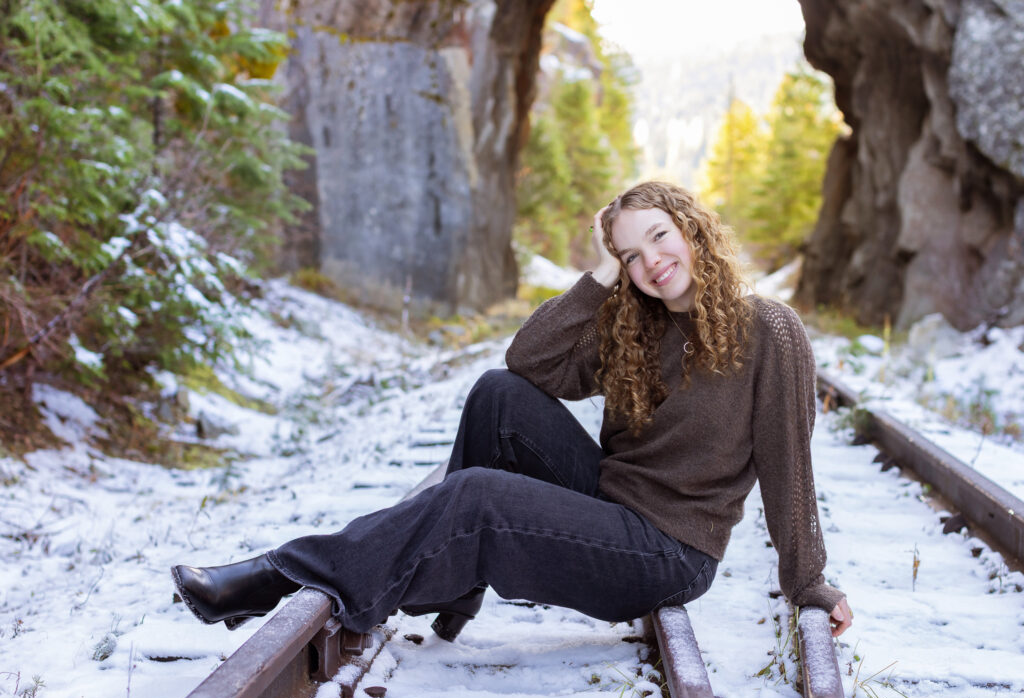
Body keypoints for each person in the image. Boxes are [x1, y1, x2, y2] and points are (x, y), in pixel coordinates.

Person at [172, 180, 853, 644]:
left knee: (476, 497)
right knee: (496, 395)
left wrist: (808, 583)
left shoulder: (770, 329)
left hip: (669, 551)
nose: (652, 262)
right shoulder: (635, 327)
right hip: (612, 503)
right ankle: (454, 585)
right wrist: (599, 279)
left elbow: (788, 465)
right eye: (630, 255)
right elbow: (528, 361)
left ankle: (281, 574)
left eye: (659, 236)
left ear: (692, 228)